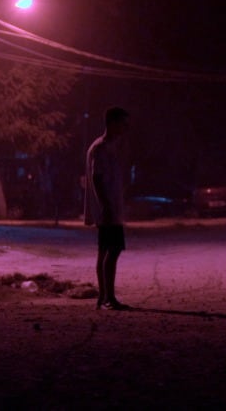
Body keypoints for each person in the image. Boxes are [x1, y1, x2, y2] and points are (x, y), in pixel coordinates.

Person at [85, 106, 132, 310]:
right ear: (112, 123)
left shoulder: (106, 147)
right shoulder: (102, 148)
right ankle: (108, 298)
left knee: (104, 251)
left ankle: (103, 296)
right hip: (108, 209)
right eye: (123, 123)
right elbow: (97, 178)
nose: (125, 128)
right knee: (112, 251)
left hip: (109, 207)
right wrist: (106, 205)